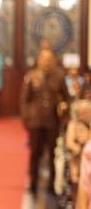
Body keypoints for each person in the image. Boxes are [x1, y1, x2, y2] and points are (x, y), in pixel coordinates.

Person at [20, 49, 70, 194]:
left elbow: (66, 98)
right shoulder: (31, 76)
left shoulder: (59, 77)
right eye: (43, 59)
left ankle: (52, 183)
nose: (46, 62)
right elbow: (24, 100)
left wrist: (64, 115)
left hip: (52, 121)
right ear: (39, 60)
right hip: (35, 121)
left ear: (53, 61)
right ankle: (33, 181)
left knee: (52, 152)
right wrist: (26, 118)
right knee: (35, 152)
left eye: (49, 59)